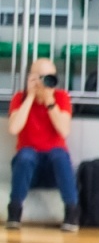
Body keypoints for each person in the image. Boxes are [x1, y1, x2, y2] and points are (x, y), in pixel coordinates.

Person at [7, 59, 79, 233]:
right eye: (42, 77)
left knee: (59, 154)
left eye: (50, 77)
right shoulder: (20, 98)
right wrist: (31, 97)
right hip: (28, 172)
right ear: (32, 78)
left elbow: (64, 130)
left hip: (53, 171)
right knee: (26, 154)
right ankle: (14, 211)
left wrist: (49, 102)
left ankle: (72, 212)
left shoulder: (61, 97)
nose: (47, 82)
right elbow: (13, 128)